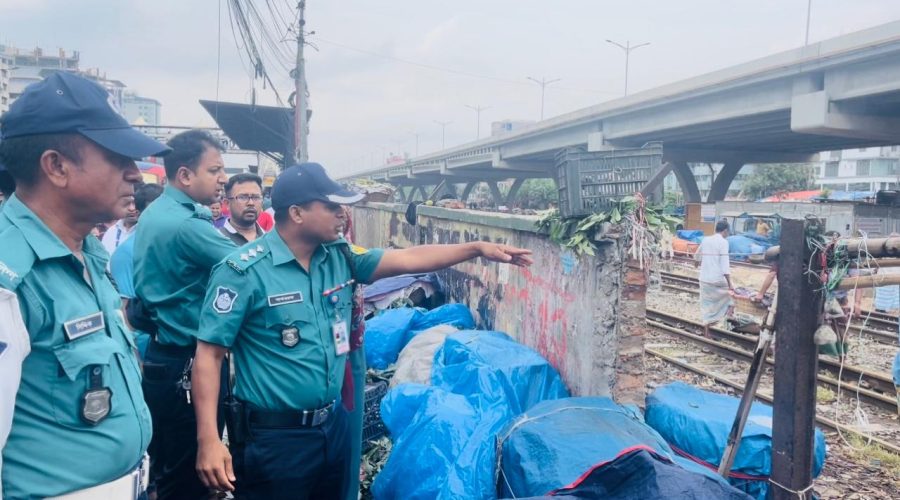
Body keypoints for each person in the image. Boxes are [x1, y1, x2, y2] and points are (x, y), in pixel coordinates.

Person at [191, 162, 533, 499]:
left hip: (331, 426)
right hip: (275, 438)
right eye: (331, 207)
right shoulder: (244, 271)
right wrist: (208, 438)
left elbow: (410, 258)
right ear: (296, 213)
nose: (342, 214)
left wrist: (476, 249)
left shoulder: (340, 257)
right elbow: (209, 355)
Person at [0, 71, 170, 498]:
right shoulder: (10, 277)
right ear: (56, 166)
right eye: (118, 157)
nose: (136, 174)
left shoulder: (89, 256)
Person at [133, 129, 236, 500]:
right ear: (185, 175)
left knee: (171, 471)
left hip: (164, 359)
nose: (223, 179)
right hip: (187, 368)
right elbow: (251, 266)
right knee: (192, 478)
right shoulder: (186, 225)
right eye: (215, 170)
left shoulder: (158, 212)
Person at [110, 182, 164, 358]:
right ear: (140, 214)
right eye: (153, 212)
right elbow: (125, 312)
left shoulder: (172, 246)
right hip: (145, 349)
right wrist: (135, 359)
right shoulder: (126, 253)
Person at [696, 220, 734, 337]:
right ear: (725, 231)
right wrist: (730, 284)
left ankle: (707, 333)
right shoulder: (723, 242)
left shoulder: (706, 239)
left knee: (707, 306)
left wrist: (697, 264)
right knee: (733, 298)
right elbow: (725, 265)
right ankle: (728, 320)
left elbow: (697, 256)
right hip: (717, 280)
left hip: (704, 279)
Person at [220, 172, 265, 245]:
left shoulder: (270, 240)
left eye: (256, 197)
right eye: (243, 197)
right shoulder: (218, 240)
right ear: (227, 203)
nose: (251, 203)